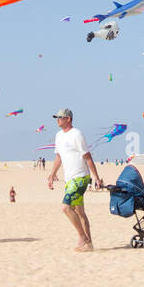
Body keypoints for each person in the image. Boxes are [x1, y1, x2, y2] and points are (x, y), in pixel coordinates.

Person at [46, 108, 103, 252]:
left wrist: (96, 177)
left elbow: (88, 156)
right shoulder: (58, 135)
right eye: (57, 117)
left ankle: (82, 237)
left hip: (81, 177)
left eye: (60, 117)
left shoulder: (76, 134)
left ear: (68, 119)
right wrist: (52, 174)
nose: (57, 120)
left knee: (66, 208)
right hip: (69, 179)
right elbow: (59, 157)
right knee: (79, 211)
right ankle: (89, 245)